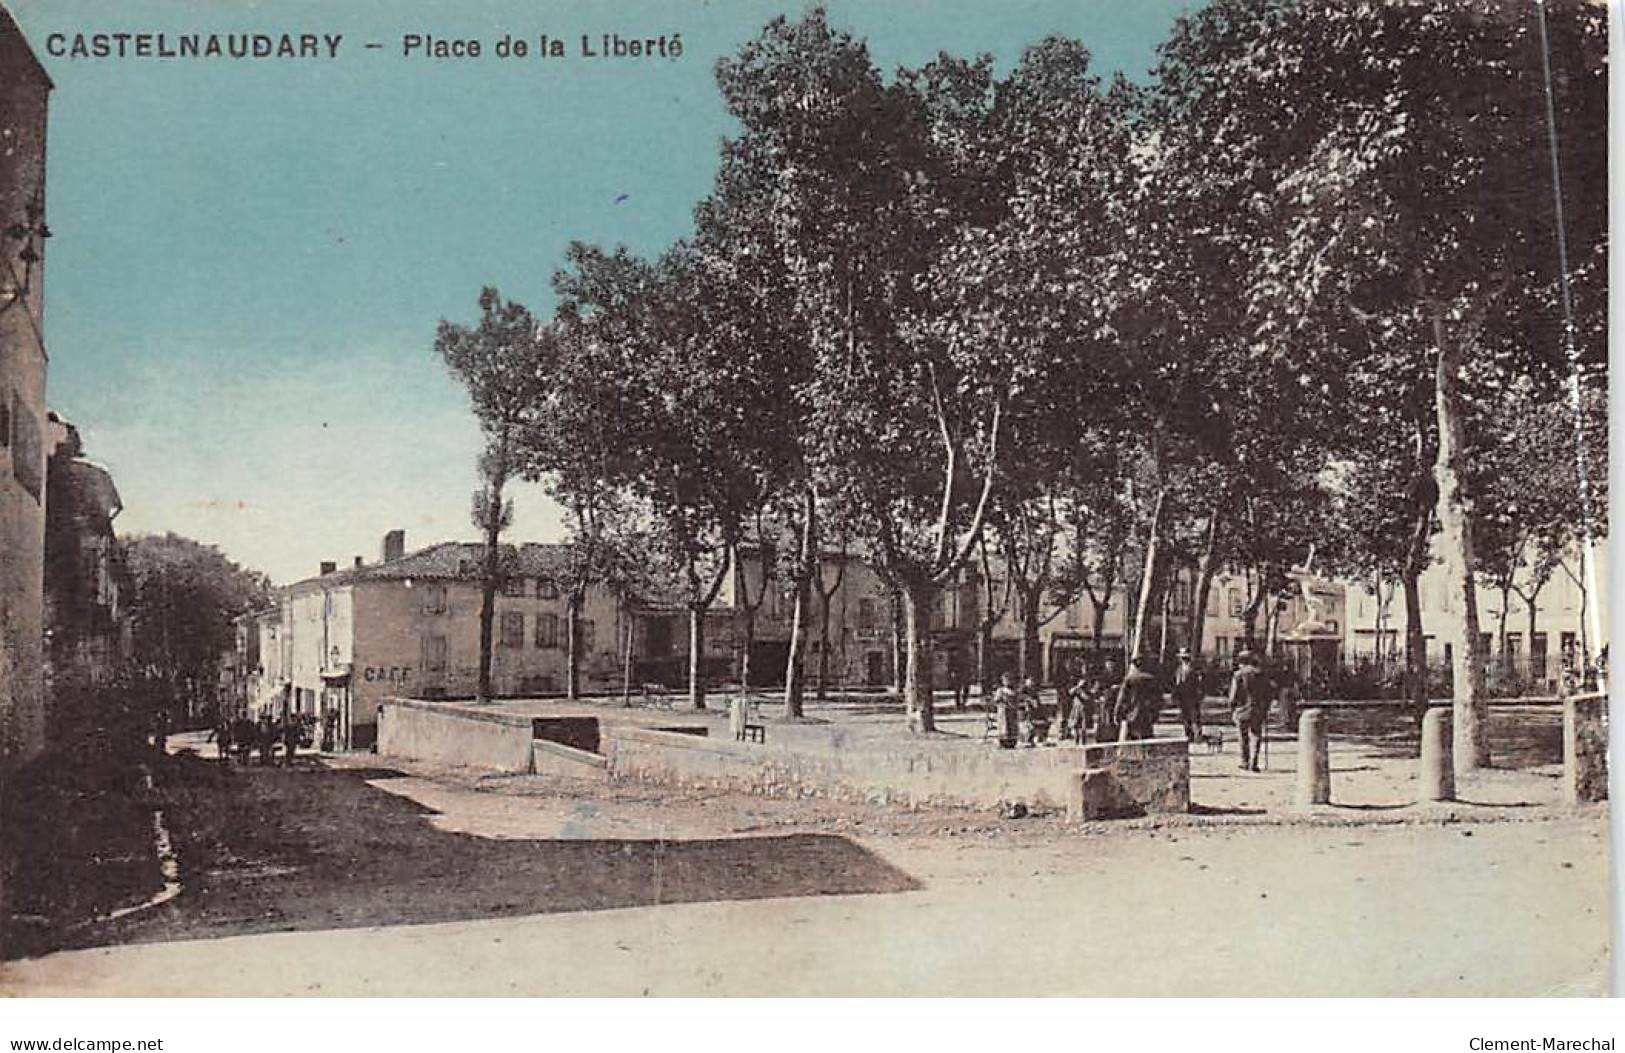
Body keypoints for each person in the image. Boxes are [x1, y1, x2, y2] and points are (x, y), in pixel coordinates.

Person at [1229, 650, 1270, 772]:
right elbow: (1268, 693)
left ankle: (1244, 761)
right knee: (1256, 735)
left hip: (1242, 710)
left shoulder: (1238, 675)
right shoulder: (1261, 674)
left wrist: (1232, 707)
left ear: (1241, 662)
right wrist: (1266, 708)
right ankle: (1254, 762)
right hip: (1258, 709)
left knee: (1243, 736)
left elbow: (1233, 695)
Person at [1114, 657, 1160, 740]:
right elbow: (1157, 697)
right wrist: (1156, 711)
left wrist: (1117, 712)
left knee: (1133, 739)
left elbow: (1121, 698)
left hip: (1132, 713)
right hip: (1147, 713)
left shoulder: (1129, 679)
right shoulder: (1151, 679)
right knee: (1147, 737)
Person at [1172, 647, 1202, 742]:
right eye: (1182, 658)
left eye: (1185, 657)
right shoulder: (1179, 669)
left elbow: (1200, 684)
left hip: (1192, 697)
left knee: (1195, 717)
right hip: (1182, 697)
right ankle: (1188, 735)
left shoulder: (1195, 669)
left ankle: (1198, 735)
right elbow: (1176, 683)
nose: (1183, 659)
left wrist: (1200, 695)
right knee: (1185, 717)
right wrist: (1175, 695)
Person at [991, 672, 1021, 749]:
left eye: (1009, 680)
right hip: (1003, 711)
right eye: (1005, 680)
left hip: (1012, 711)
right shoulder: (1000, 690)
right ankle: (1003, 741)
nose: (1007, 682)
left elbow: (1017, 700)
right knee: (1004, 726)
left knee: (1012, 725)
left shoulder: (1014, 690)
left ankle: (1012, 741)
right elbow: (996, 700)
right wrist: (1001, 701)